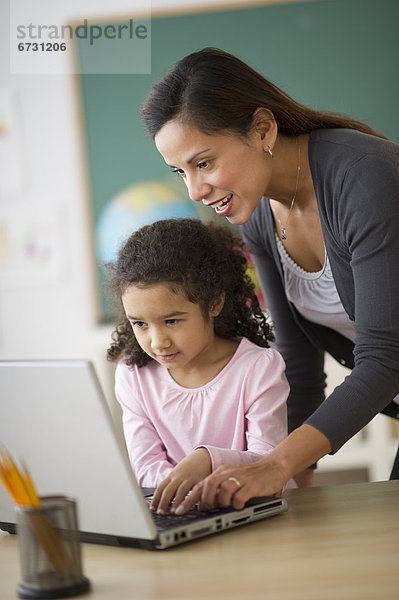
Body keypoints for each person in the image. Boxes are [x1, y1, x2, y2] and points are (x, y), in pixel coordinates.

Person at [141, 47, 399, 514]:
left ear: (262, 129)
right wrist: (281, 498)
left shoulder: (365, 179)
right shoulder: (259, 214)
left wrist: (275, 466)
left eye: (204, 163)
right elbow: (299, 371)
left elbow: (386, 357)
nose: (195, 191)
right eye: (180, 171)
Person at [107, 218, 296, 514]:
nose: (158, 342)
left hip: (261, 515)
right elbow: (145, 470)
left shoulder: (259, 368)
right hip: (186, 515)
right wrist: (195, 492)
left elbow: (268, 461)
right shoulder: (133, 376)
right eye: (140, 324)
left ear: (214, 304)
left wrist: (207, 459)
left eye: (172, 321)